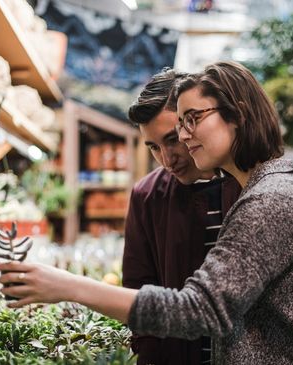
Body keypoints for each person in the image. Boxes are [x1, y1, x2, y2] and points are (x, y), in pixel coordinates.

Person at [0, 61, 293, 364]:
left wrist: (67, 285)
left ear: (237, 115)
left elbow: (199, 309)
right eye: (156, 145)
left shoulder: (269, 197)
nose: (177, 147)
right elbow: (146, 293)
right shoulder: (154, 195)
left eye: (188, 124)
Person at [124, 68, 241, 365]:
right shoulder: (147, 197)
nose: (166, 159)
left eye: (172, 139)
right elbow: (138, 293)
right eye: (153, 147)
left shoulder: (263, 186)